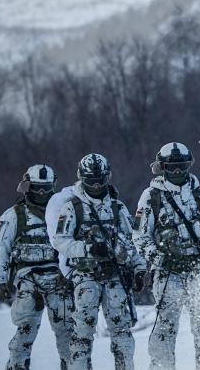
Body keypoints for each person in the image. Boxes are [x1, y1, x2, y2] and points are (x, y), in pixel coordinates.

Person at [50, 153, 148, 370]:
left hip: (115, 277)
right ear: (81, 178)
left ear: (107, 177)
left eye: (100, 179)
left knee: (122, 331)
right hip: (85, 278)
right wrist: (88, 249)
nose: (96, 184)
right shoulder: (72, 207)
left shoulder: (117, 207)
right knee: (82, 333)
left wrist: (139, 268)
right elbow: (60, 241)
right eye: (91, 179)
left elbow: (133, 241)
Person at [133, 142, 200, 370]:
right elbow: (140, 237)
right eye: (172, 167)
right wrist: (159, 258)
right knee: (165, 328)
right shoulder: (151, 197)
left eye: (181, 166)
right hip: (168, 274)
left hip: (197, 271)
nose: (177, 172)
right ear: (162, 167)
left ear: (189, 166)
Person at [0, 164, 73, 370]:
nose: (42, 193)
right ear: (27, 186)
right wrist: (0, 281)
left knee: (66, 329)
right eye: (37, 188)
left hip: (58, 278)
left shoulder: (63, 212)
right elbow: (2, 249)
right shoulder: (13, 216)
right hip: (27, 278)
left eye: (46, 189)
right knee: (26, 328)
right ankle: (17, 366)